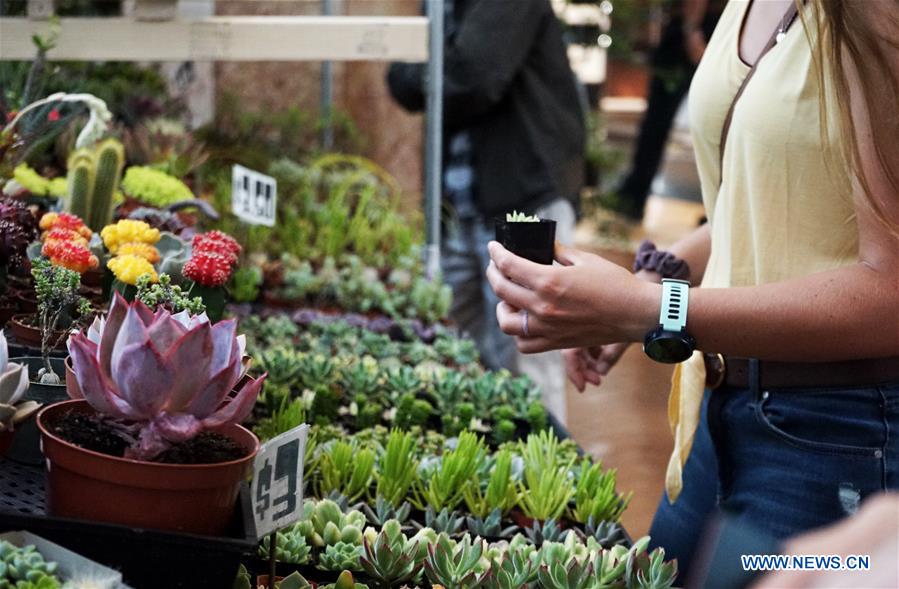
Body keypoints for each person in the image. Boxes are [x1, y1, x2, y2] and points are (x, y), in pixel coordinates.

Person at [485, 0, 899, 581]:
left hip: (836, 442)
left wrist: (651, 311)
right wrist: (654, 280)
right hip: (720, 417)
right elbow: (752, 201)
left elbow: (891, 295)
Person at [387, 0, 585, 421]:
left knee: (530, 356)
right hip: (461, 206)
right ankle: (495, 472)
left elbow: (473, 76)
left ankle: (539, 477)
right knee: (464, 346)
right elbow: (424, 77)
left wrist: (413, 72)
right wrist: (425, 73)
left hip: (525, 200)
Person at [611, 0, 724, 222]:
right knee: (716, 126)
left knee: (657, 123)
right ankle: (716, 211)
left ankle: (634, 196)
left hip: (695, 33)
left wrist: (692, 30)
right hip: (707, 29)